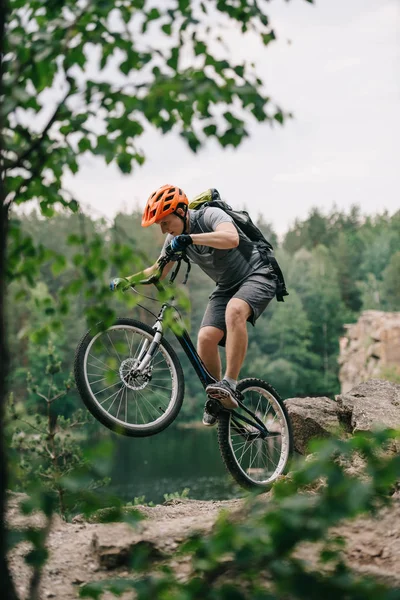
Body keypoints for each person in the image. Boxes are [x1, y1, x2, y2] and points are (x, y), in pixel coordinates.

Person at [111, 184, 277, 426]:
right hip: (227, 286)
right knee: (205, 339)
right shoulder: (173, 240)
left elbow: (230, 238)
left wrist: (189, 238)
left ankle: (230, 383)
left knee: (235, 310)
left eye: (165, 222)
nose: (163, 229)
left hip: (259, 272)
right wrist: (129, 280)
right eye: (160, 225)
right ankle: (220, 398)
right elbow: (157, 270)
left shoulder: (209, 215)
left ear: (180, 211)